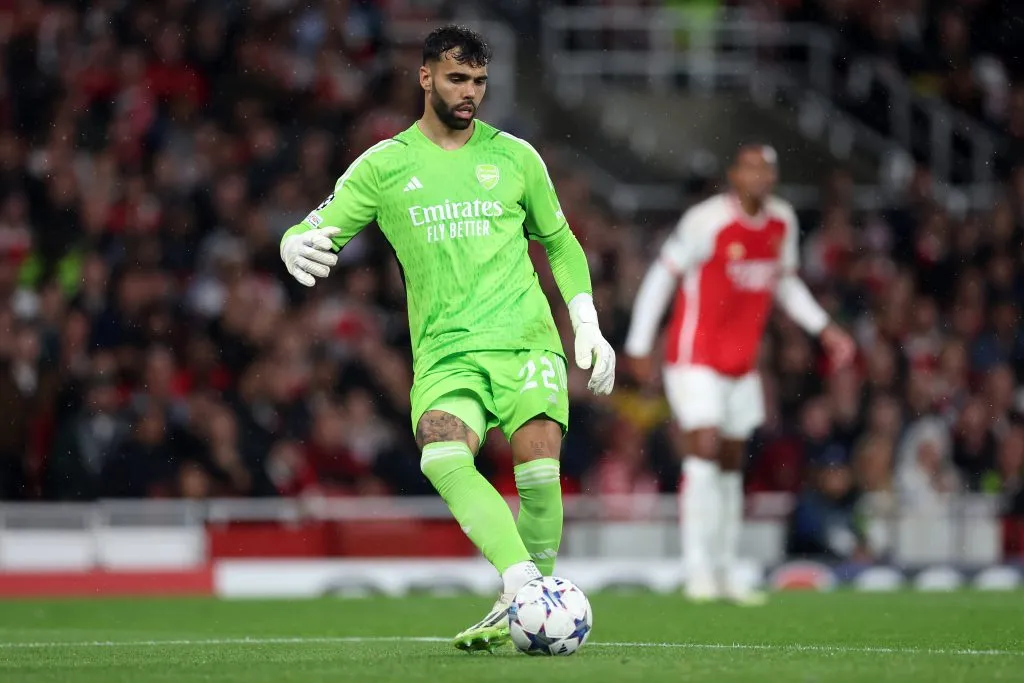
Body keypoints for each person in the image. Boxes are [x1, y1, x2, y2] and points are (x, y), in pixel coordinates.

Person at [279, 26, 615, 651]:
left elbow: (560, 243)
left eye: (480, 82)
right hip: (445, 351)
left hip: (526, 339)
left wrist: (587, 323)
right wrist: (291, 240)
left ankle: (519, 602)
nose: (470, 93)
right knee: (440, 450)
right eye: (458, 79)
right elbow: (317, 224)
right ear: (426, 77)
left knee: (540, 472)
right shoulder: (384, 166)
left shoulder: (516, 157)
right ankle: (525, 589)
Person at [623, 145, 854, 603]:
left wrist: (824, 328)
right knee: (703, 450)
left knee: (730, 464)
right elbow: (662, 275)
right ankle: (697, 572)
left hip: (741, 364)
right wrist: (638, 341)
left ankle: (726, 569)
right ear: (734, 175)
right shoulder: (706, 221)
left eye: (767, 170)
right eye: (750, 168)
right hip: (694, 355)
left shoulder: (781, 222)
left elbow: (784, 281)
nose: (759, 177)